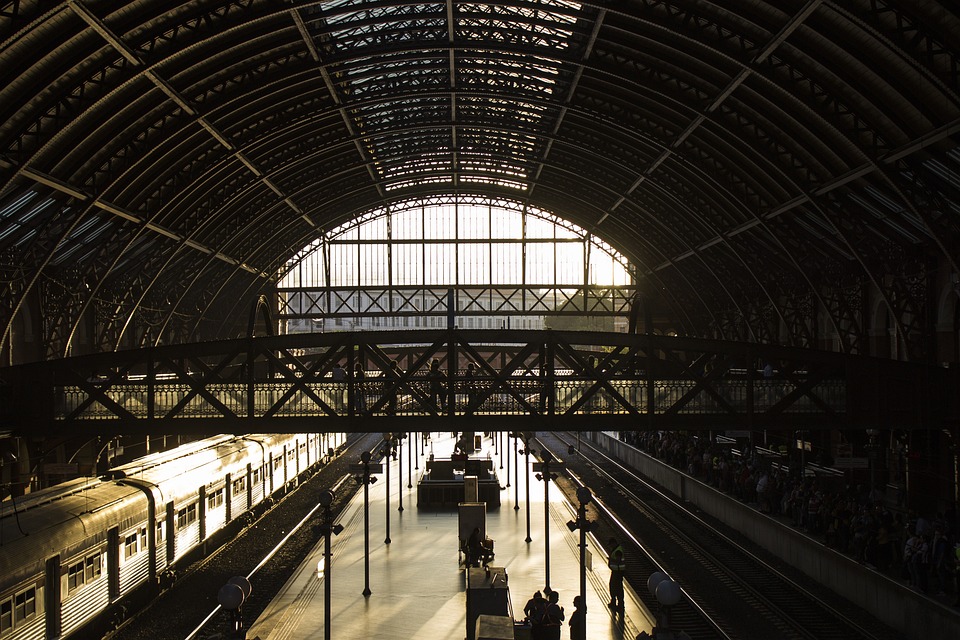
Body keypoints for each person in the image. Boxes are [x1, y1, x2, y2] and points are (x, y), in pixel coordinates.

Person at [608, 538, 626, 611]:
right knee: (614, 587)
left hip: (618, 572)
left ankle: (620, 605)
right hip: (617, 571)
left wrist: (611, 560)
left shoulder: (618, 550)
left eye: (611, 545)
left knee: (617, 588)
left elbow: (618, 561)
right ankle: (614, 602)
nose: (610, 546)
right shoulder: (618, 549)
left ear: (613, 543)